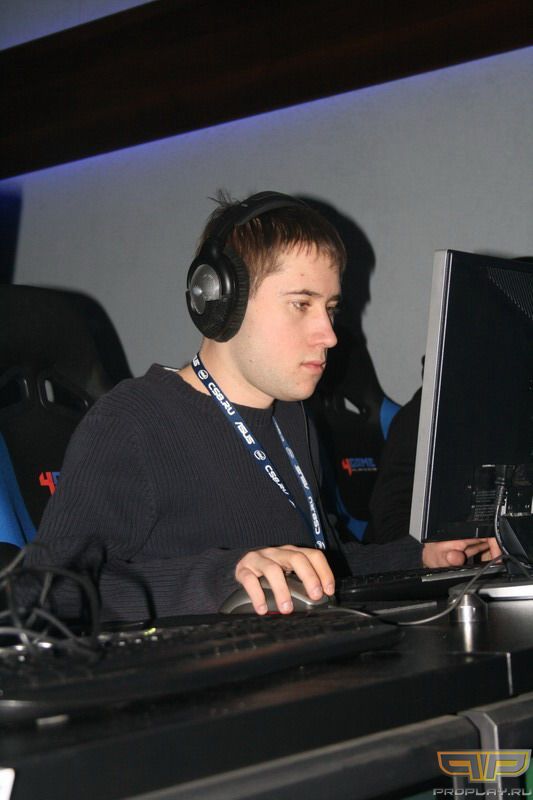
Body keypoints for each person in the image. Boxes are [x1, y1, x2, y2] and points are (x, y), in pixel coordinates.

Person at [21, 191, 499, 621]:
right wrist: (224, 577)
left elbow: (317, 566)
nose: (329, 335)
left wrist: (420, 555)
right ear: (220, 301)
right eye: (301, 304)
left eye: (330, 309)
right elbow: (49, 591)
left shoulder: (293, 419)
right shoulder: (134, 421)